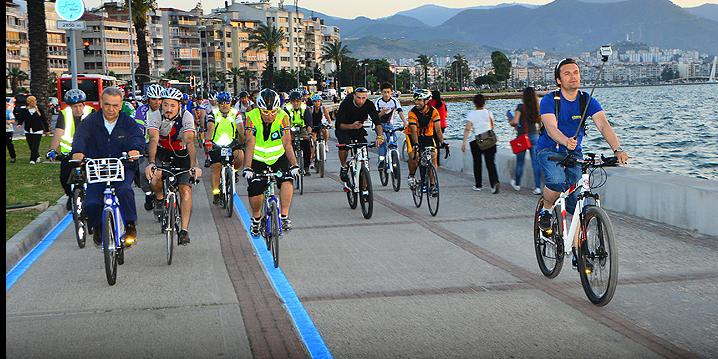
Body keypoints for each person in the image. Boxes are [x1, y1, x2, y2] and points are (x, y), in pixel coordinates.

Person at [537, 58, 629, 248]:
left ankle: (580, 249)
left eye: (576, 72)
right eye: (567, 73)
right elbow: (550, 127)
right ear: (558, 80)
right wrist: (565, 141)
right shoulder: (549, 100)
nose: (573, 77)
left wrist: (617, 149)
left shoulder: (586, 100)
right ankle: (546, 210)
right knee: (555, 180)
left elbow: (603, 125)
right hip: (549, 150)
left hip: (574, 153)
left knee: (580, 204)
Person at [70, 87, 145, 247]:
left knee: (125, 191)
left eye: (115, 105)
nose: (111, 109)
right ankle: (97, 227)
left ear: (121, 105)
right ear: (101, 103)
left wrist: (135, 149)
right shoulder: (90, 122)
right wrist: (78, 152)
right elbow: (80, 138)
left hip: (122, 166)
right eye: (107, 104)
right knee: (91, 203)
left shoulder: (128, 122)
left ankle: (130, 226)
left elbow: (137, 138)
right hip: (97, 168)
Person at [145, 87, 202, 245]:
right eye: (166, 105)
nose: (168, 109)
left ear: (179, 106)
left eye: (172, 105)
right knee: (155, 177)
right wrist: (151, 163)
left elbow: (190, 141)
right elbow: (154, 139)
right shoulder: (155, 115)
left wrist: (194, 166)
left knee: (185, 190)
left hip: (182, 155)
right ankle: (159, 198)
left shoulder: (187, 116)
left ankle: (184, 230)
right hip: (161, 152)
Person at [242, 89, 300, 234]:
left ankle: (284, 216)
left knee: (287, 180)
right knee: (256, 189)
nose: (270, 116)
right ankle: (256, 219)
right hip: (258, 158)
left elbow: (287, 143)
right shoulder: (251, 116)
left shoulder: (283, 116)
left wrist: (294, 164)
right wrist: (247, 167)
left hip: (278, 157)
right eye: (265, 112)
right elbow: (250, 142)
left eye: (273, 112)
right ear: (259, 109)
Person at [46, 89, 96, 210]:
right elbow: (59, 132)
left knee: (94, 177)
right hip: (69, 153)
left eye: (80, 105)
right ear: (70, 106)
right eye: (74, 106)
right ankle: (70, 195)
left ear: (84, 104)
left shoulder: (91, 112)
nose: (78, 109)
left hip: (88, 152)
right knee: (64, 177)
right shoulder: (64, 114)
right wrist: (52, 149)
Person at [334, 87, 384, 184]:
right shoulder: (346, 104)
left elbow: (377, 123)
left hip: (358, 129)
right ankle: (344, 166)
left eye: (363, 98)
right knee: (344, 146)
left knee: (364, 155)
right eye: (358, 98)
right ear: (354, 96)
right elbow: (338, 125)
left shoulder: (369, 104)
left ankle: (365, 188)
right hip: (344, 128)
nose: (361, 101)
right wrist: (351, 126)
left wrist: (380, 136)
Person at [205, 91, 244, 204]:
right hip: (217, 144)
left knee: (240, 156)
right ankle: (216, 193)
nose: (224, 105)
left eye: (227, 102)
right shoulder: (213, 113)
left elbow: (240, 129)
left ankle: (235, 172)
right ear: (218, 103)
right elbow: (210, 128)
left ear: (230, 103)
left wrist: (243, 141)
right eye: (221, 103)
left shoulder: (235, 113)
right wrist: (208, 141)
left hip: (231, 143)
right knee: (216, 167)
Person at [461, 93, 500, 194]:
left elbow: (467, 129)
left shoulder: (472, 114)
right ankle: (494, 183)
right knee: (490, 163)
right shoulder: (489, 112)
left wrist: (464, 142)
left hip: (476, 141)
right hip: (490, 140)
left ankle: (478, 185)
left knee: (477, 163)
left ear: (474, 103)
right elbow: (492, 126)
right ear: (484, 103)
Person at [133, 84, 164, 210]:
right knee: (142, 173)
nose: (157, 102)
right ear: (148, 99)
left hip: (163, 146)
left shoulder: (167, 109)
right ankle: (149, 194)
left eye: (160, 99)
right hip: (146, 146)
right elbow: (138, 131)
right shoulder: (141, 111)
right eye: (153, 99)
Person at [406, 89, 445, 189]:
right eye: (416, 100)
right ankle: (411, 175)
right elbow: (414, 131)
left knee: (433, 155)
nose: (417, 102)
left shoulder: (433, 111)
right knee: (414, 156)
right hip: (412, 135)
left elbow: (438, 130)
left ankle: (432, 185)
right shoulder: (412, 112)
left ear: (426, 101)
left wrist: (443, 142)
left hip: (427, 136)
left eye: (419, 100)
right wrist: (416, 144)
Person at [509, 87, 543, 195]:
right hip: (535, 136)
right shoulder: (537, 107)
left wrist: (511, 120)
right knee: (535, 163)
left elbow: (515, 122)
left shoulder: (520, 107)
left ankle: (517, 184)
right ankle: (537, 187)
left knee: (520, 162)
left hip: (522, 138)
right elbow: (541, 124)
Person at [374, 82, 408, 168]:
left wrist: (404, 122)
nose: (386, 94)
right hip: (380, 125)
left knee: (393, 141)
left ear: (391, 92)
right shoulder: (378, 101)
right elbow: (375, 117)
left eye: (388, 92)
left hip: (390, 125)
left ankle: (394, 158)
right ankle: (381, 160)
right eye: (384, 92)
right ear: (381, 92)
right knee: (382, 141)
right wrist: (382, 113)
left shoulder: (394, 101)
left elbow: (400, 111)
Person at [284, 90, 313, 176]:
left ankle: (306, 167)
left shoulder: (306, 108)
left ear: (301, 101)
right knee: (287, 146)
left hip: (302, 129)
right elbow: (284, 123)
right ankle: (289, 166)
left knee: (307, 145)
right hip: (290, 129)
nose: (295, 103)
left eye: (298, 101)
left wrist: (309, 134)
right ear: (290, 101)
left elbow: (309, 123)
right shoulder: (286, 109)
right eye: (293, 101)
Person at [15, 95, 49, 164]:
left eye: (34, 101)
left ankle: (32, 160)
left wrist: (47, 130)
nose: (33, 103)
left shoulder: (39, 110)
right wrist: (19, 124)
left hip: (38, 130)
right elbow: (21, 118)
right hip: (28, 130)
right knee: (31, 145)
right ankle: (37, 156)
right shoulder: (24, 110)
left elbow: (44, 120)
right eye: (31, 101)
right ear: (28, 102)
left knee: (35, 145)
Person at [307, 93, 333, 167]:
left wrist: (330, 123)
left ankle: (326, 143)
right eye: (315, 101)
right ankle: (312, 160)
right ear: (313, 102)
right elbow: (308, 118)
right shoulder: (310, 109)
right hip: (312, 125)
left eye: (318, 101)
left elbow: (327, 117)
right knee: (313, 142)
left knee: (325, 131)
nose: (317, 103)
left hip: (320, 124)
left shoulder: (323, 108)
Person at [428, 90, 448, 165]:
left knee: (434, 143)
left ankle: (435, 161)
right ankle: (438, 162)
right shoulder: (443, 104)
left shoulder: (431, 103)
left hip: (435, 125)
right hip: (443, 125)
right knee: (438, 142)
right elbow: (446, 115)